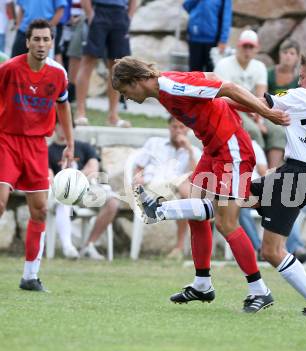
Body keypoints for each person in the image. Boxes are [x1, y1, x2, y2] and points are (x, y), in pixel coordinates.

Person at [138, 50, 306, 317]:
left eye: (302, 77)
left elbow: (259, 103)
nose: (299, 81)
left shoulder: (303, 96)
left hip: (296, 178)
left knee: (272, 250)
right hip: (298, 176)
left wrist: (217, 98)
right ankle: (164, 215)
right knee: (226, 205)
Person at [112, 56, 290, 313]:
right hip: (213, 148)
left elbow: (227, 87)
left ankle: (259, 290)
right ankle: (202, 284)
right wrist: (251, 107)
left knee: (226, 222)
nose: (126, 97)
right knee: (196, 210)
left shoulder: (171, 85)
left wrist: (267, 112)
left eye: (124, 91)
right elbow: (215, 93)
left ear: (136, 80)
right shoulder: (164, 90)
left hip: (231, 147)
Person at [0, 19, 74, 291]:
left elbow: (64, 106)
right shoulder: (8, 69)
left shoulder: (58, 73)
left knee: (40, 209)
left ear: (51, 42)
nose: (41, 44)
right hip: (5, 139)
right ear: (27, 42)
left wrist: (70, 141)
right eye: (37, 39)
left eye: (46, 39)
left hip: (37, 146)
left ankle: (30, 276)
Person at [133, 117, 202, 259]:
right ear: (169, 127)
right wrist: (137, 178)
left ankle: (179, 247)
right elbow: (138, 167)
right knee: (187, 193)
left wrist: (188, 150)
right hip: (153, 186)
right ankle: (201, 211)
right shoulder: (154, 143)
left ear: (188, 129)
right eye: (174, 127)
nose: (177, 131)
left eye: (181, 127)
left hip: (176, 191)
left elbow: (196, 177)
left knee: (185, 189)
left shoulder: (193, 151)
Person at [49, 125, 119, 260]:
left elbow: (93, 169)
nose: (64, 129)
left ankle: (89, 245)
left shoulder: (84, 147)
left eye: (67, 126)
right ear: (54, 127)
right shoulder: (49, 151)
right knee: (62, 200)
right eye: (60, 125)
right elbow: (50, 177)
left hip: (86, 191)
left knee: (113, 202)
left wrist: (72, 177)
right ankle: (68, 247)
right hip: (63, 192)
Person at [74, 0, 136, 128]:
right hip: (98, 10)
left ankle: (113, 115)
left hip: (120, 13)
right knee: (88, 61)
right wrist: (90, 14)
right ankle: (80, 112)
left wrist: (128, 17)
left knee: (117, 66)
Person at [214, 30, 268, 150]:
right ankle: (259, 167)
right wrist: (251, 110)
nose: (247, 50)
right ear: (238, 46)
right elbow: (221, 97)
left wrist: (260, 119)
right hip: (231, 107)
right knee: (254, 131)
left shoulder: (260, 67)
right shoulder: (223, 64)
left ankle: (274, 168)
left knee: (277, 131)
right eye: (245, 46)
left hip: (253, 107)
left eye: (251, 46)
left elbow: (261, 96)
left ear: (256, 48)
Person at [264, 39, 301, 168]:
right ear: (279, 54)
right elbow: (262, 97)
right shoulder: (269, 73)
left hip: (291, 117)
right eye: (285, 52)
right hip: (268, 114)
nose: (288, 56)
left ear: (297, 57)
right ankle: (271, 171)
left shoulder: (299, 79)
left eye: (292, 53)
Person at [183, 0, 232, 72]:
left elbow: (226, 17)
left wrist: (223, 40)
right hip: (195, 38)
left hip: (213, 41)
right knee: (194, 74)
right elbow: (187, 6)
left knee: (212, 74)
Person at [239, 140, 268, 254]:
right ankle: (260, 248)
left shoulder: (253, 145)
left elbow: (263, 172)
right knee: (240, 210)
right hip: (237, 193)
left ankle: (295, 248)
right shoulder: (222, 146)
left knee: (283, 205)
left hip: (256, 187)